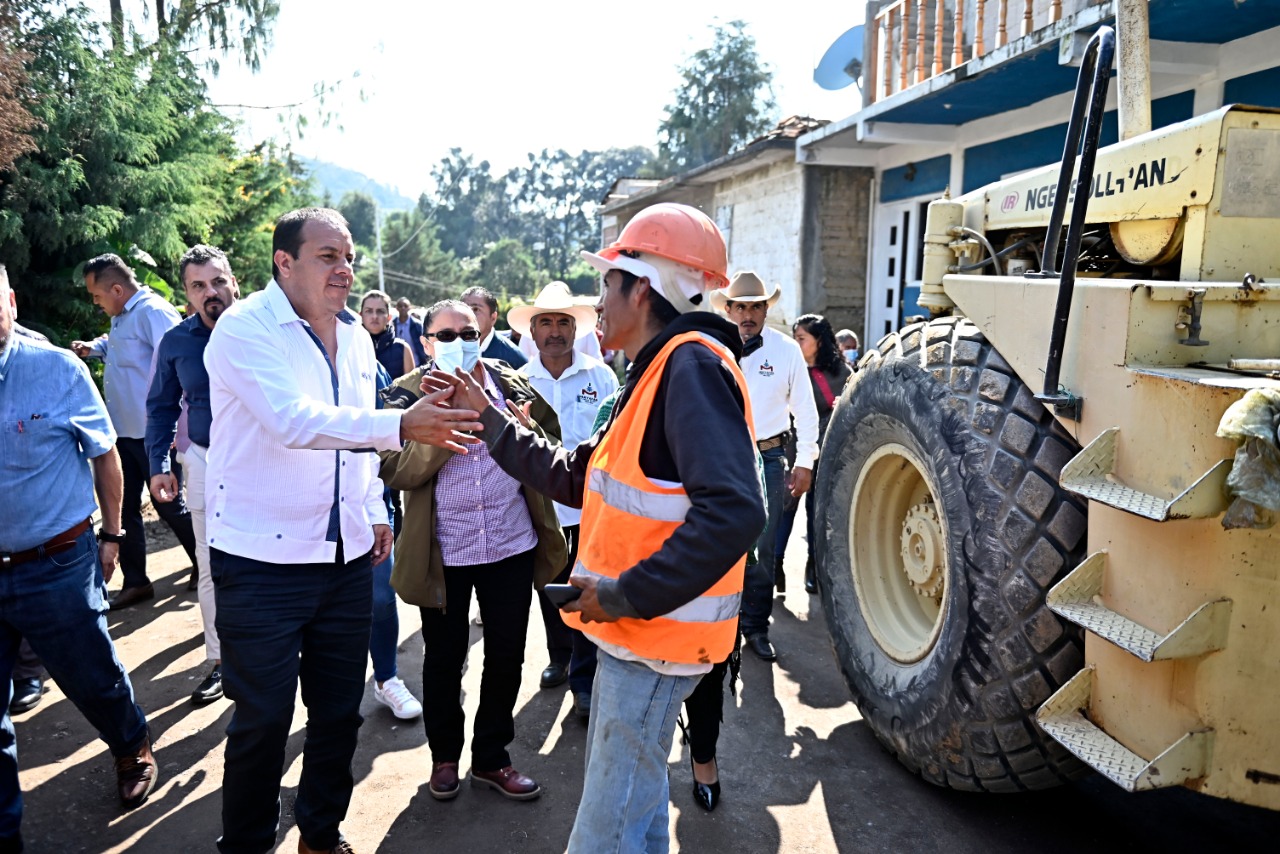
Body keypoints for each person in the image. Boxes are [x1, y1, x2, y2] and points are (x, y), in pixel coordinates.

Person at [429, 203, 764, 852]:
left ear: (643, 289)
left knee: (602, 837)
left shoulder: (688, 368)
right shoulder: (654, 373)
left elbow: (734, 510)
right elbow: (577, 475)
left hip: (652, 639)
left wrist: (623, 595)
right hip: (643, 637)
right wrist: (493, 420)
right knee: (636, 818)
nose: (597, 303)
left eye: (606, 284)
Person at [203, 207, 486, 854]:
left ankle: (320, 836)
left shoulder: (357, 337)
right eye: (328, 256)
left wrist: (374, 510)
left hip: (345, 559)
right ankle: (245, 844)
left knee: (337, 715)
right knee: (265, 721)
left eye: (349, 256)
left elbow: (352, 435)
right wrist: (400, 427)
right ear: (285, 263)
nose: (345, 268)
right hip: (259, 562)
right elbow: (293, 422)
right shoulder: (246, 330)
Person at [378, 299, 565, 803]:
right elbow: (394, 470)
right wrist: (441, 430)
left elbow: (550, 444)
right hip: (445, 551)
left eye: (466, 330)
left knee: (506, 655)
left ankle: (491, 758)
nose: (458, 340)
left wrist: (516, 424)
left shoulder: (509, 382)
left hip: (510, 541)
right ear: (426, 341)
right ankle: (444, 758)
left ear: (481, 332)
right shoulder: (406, 394)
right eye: (445, 333)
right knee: (444, 657)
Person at [0, 264, 158, 850]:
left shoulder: (57, 370)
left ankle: (130, 742)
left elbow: (106, 455)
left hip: (57, 565)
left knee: (92, 678)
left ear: (11, 301)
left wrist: (113, 535)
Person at [509, 281, 617, 719]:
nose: (554, 331)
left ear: (576, 330)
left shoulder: (601, 375)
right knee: (548, 586)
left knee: (583, 587)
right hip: (537, 507)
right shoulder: (517, 382)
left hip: (587, 505)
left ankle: (584, 680)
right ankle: (559, 657)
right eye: (546, 323)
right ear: (532, 333)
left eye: (563, 323)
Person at [71, 254, 199, 609]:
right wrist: (94, 348)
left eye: (96, 296)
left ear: (116, 289)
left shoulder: (153, 312)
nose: (95, 303)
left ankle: (206, 564)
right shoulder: (123, 314)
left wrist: (178, 425)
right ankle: (137, 581)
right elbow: (122, 347)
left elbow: (179, 364)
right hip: (123, 432)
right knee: (124, 508)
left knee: (169, 503)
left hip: (154, 433)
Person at [145, 244, 239, 706]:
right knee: (210, 562)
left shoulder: (264, 332)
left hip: (265, 464)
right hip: (203, 461)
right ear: (186, 295)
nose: (211, 292)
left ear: (234, 282)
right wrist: (159, 465)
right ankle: (221, 661)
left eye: (218, 281)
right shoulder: (177, 342)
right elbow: (160, 407)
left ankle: (279, 655)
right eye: (198, 285)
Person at [709, 272, 819, 663]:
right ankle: (721, 627)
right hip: (720, 456)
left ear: (766, 309)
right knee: (717, 543)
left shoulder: (786, 350)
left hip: (770, 458)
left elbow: (805, 411)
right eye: (741, 306)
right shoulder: (711, 347)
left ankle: (756, 626)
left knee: (764, 546)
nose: (748, 314)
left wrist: (804, 463)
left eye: (756, 306)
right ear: (728, 309)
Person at [775, 314, 852, 594]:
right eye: (795, 338)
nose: (797, 343)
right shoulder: (789, 370)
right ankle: (776, 565)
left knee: (816, 511)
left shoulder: (841, 373)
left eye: (802, 338)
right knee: (785, 507)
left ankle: (813, 568)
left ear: (818, 341)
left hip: (827, 451)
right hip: (791, 449)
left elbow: (848, 410)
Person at [460, 286, 527, 368]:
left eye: (476, 309)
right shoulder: (449, 350)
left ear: (493, 318)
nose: (468, 315)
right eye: (464, 309)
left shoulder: (514, 358)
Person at [360, 290, 413, 378]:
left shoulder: (403, 348)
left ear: (389, 317)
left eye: (380, 311)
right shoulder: (351, 347)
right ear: (361, 315)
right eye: (369, 311)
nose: (374, 316)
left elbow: (411, 389)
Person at [393, 297, 427, 366]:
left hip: (417, 364)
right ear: (396, 308)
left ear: (409, 308)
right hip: (398, 365)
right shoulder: (392, 325)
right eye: (400, 306)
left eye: (405, 306)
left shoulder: (417, 325)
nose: (403, 308)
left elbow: (424, 344)